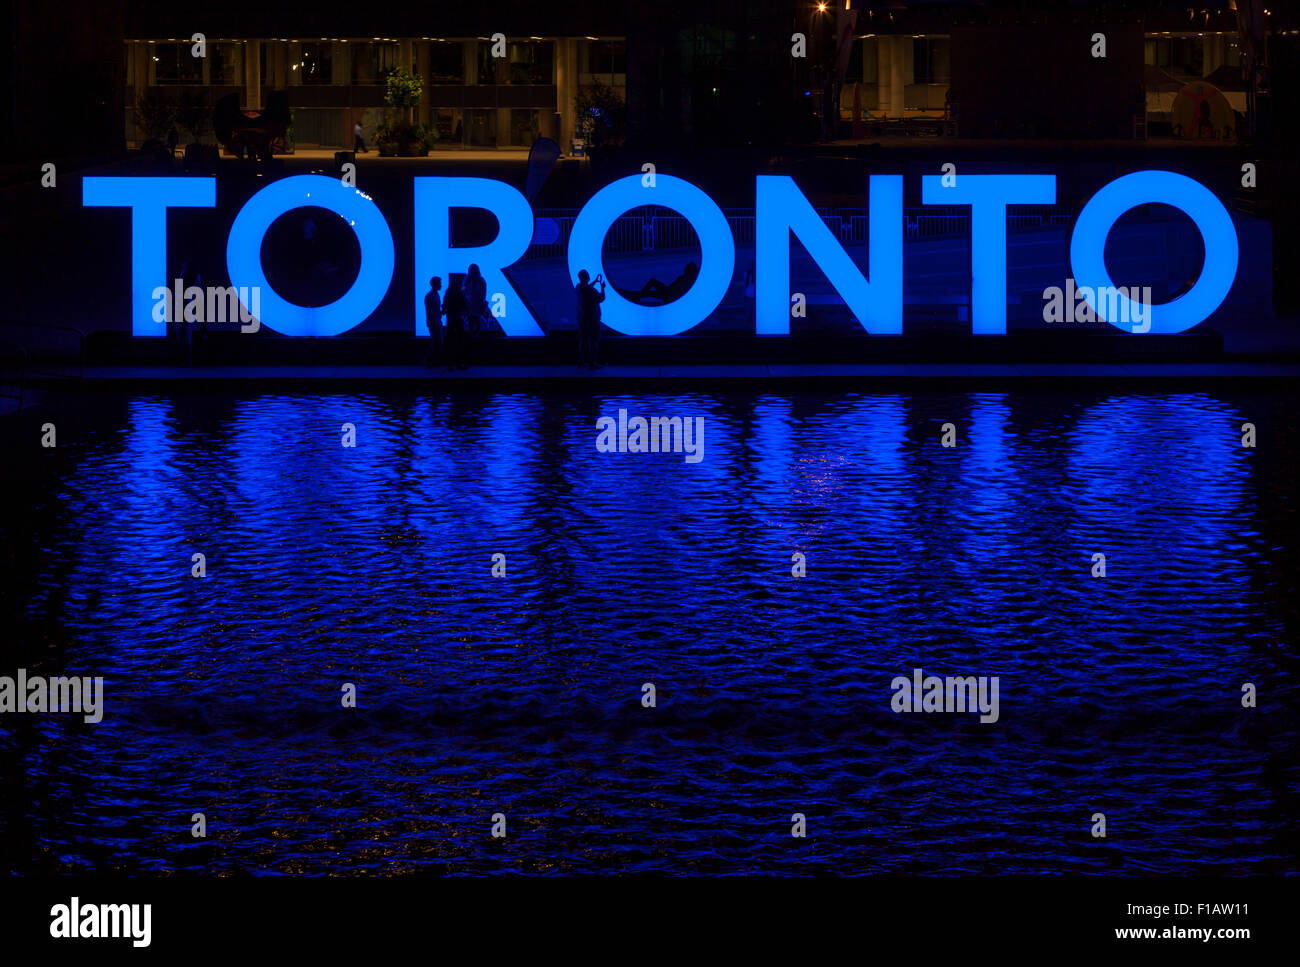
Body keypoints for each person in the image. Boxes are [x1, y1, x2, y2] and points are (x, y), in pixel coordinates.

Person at [628, 261, 698, 305]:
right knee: (650, 291)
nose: (685, 270)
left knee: (651, 286)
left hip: (670, 294)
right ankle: (637, 296)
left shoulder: (690, 281)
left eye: (687, 268)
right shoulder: (684, 277)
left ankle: (638, 296)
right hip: (669, 291)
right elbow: (674, 285)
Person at [575, 269, 605, 369]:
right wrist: (602, 287)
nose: (588, 275)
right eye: (587, 274)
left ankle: (581, 362)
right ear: (586, 277)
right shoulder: (591, 291)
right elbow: (601, 298)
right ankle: (593, 363)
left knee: (583, 341)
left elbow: (585, 288)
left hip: (582, 319)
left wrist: (595, 282)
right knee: (594, 341)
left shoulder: (578, 288)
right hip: (593, 319)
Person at [443, 274, 469, 370]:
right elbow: (465, 306)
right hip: (457, 319)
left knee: (450, 341)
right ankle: (459, 363)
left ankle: (450, 364)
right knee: (459, 341)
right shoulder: (459, 294)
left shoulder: (448, 294)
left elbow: (444, 307)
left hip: (451, 319)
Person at [423, 276, 444, 368]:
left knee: (436, 342)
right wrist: (436, 322)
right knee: (435, 341)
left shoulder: (435, 295)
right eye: (439, 283)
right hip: (433, 322)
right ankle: (427, 361)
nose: (441, 285)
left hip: (436, 321)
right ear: (435, 284)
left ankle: (432, 361)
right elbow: (431, 311)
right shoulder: (430, 296)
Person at [463, 263, 489, 338]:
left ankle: (476, 336)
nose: (471, 272)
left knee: (477, 321)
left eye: (472, 270)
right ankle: (471, 337)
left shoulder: (481, 280)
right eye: (470, 270)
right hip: (469, 304)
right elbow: (463, 291)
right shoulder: (466, 280)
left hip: (477, 303)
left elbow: (483, 292)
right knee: (471, 321)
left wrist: (482, 302)